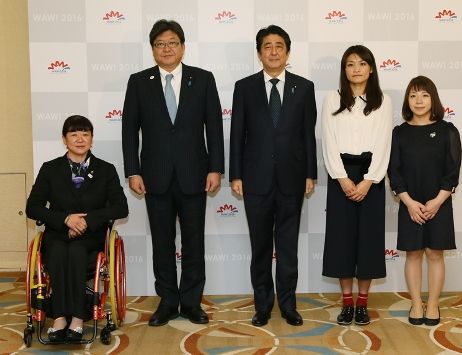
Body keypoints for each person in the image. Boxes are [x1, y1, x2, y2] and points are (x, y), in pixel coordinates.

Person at [122, 19, 224, 326]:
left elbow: (215, 129)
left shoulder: (203, 79)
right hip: (154, 176)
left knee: (194, 242)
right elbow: (129, 131)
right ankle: (167, 302)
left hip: (195, 174)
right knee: (162, 243)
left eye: (172, 43)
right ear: (153, 49)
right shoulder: (139, 82)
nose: (166, 49)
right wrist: (133, 172)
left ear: (182, 47)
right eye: (160, 44)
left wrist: (216, 168)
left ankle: (191, 303)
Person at [229, 25, 317, 327]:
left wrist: (310, 173)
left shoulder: (304, 87)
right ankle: (263, 306)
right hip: (255, 180)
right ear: (259, 52)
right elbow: (236, 134)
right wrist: (235, 174)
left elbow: (308, 135)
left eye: (279, 46)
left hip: (293, 179)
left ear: (288, 52)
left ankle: (289, 305)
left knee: (288, 247)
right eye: (267, 46)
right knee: (261, 248)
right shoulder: (245, 87)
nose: (274, 51)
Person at [25, 115, 128, 342]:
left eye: (85, 134)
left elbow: (121, 208)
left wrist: (87, 221)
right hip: (58, 233)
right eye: (74, 134)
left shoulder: (106, 169)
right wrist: (65, 220)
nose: (80, 139)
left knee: (78, 252)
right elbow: (33, 207)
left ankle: (78, 319)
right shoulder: (50, 169)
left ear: (92, 139)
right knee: (60, 252)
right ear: (65, 139)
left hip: (91, 237)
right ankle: (60, 318)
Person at [321, 45, 392, 326]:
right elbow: (328, 140)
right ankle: (346, 302)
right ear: (344, 70)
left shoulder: (383, 101)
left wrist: (369, 180)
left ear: (371, 68)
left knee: (368, 242)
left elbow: (384, 142)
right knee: (341, 241)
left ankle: (363, 303)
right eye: (350, 64)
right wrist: (342, 178)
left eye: (362, 64)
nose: (356, 69)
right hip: (341, 176)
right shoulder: (331, 99)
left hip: (370, 177)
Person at [388, 76, 462, 326]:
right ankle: (417, 303)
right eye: (413, 95)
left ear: (433, 99)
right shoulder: (399, 133)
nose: (418, 101)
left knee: (434, 254)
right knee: (414, 255)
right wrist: (409, 202)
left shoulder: (447, 131)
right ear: (407, 100)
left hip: (439, 202)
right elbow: (394, 171)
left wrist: (437, 201)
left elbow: (453, 171)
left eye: (424, 95)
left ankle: (433, 304)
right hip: (410, 204)